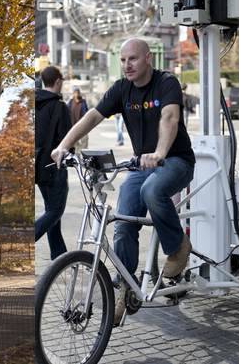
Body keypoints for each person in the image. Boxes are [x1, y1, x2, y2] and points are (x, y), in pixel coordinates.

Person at [51, 38, 195, 326]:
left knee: (152, 189)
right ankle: (124, 285)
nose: (127, 65)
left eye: (133, 59)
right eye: (124, 59)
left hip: (175, 160)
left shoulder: (167, 83)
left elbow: (170, 117)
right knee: (122, 222)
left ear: (147, 59)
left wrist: (160, 153)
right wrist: (64, 144)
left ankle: (178, 247)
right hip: (142, 164)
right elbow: (93, 116)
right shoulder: (121, 88)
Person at [36, 66, 72, 260]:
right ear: (58, 81)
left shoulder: (35, 103)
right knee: (56, 210)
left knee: (51, 209)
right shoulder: (59, 107)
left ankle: (59, 256)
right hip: (55, 166)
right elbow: (67, 139)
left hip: (38, 167)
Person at [67, 87, 89, 153]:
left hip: (83, 125)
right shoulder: (70, 102)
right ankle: (77, 155)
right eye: (75, 92)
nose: (77, 94)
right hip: (73, 126)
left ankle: (84, 154)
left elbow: (86, 112)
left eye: (78, 92)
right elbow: (67, 112)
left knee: (84, 141)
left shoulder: (83, 101)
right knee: (75, 143)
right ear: (73, 94)